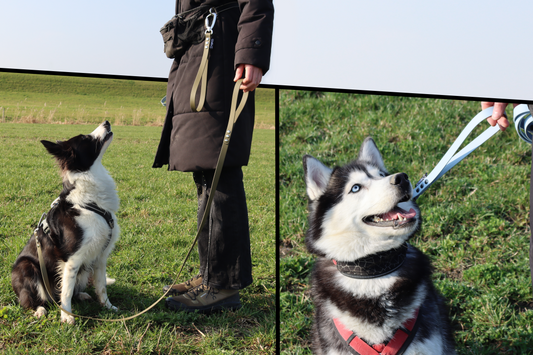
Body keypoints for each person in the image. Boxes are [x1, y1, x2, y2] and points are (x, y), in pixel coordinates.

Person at [152, 0, 274, 313]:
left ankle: (222, 286)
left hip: (218, 59)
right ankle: (211, 275)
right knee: (206, 172)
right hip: (200, 56)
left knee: (221, 175)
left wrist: (251, 53)